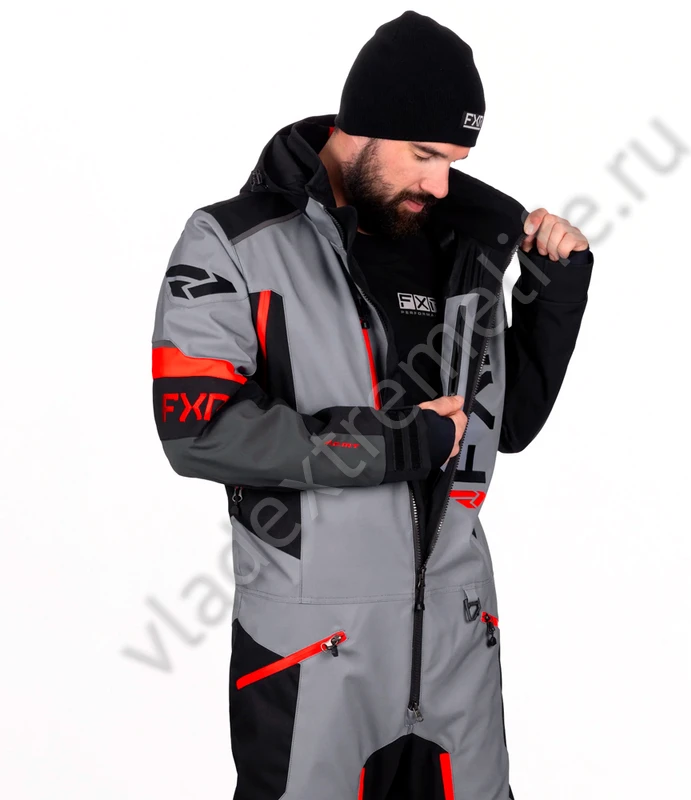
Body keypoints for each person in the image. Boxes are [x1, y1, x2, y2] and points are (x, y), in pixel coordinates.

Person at [151, 10, 593, 800]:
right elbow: (199, 432)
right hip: (314, 657)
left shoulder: (463, 250)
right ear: (360, 126)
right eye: (424, 155)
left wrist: (553, 296)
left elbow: (507, 424)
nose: (440, 184)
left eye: (454, 161)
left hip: (458, 655)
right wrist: (391, 444)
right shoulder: (235, 244)